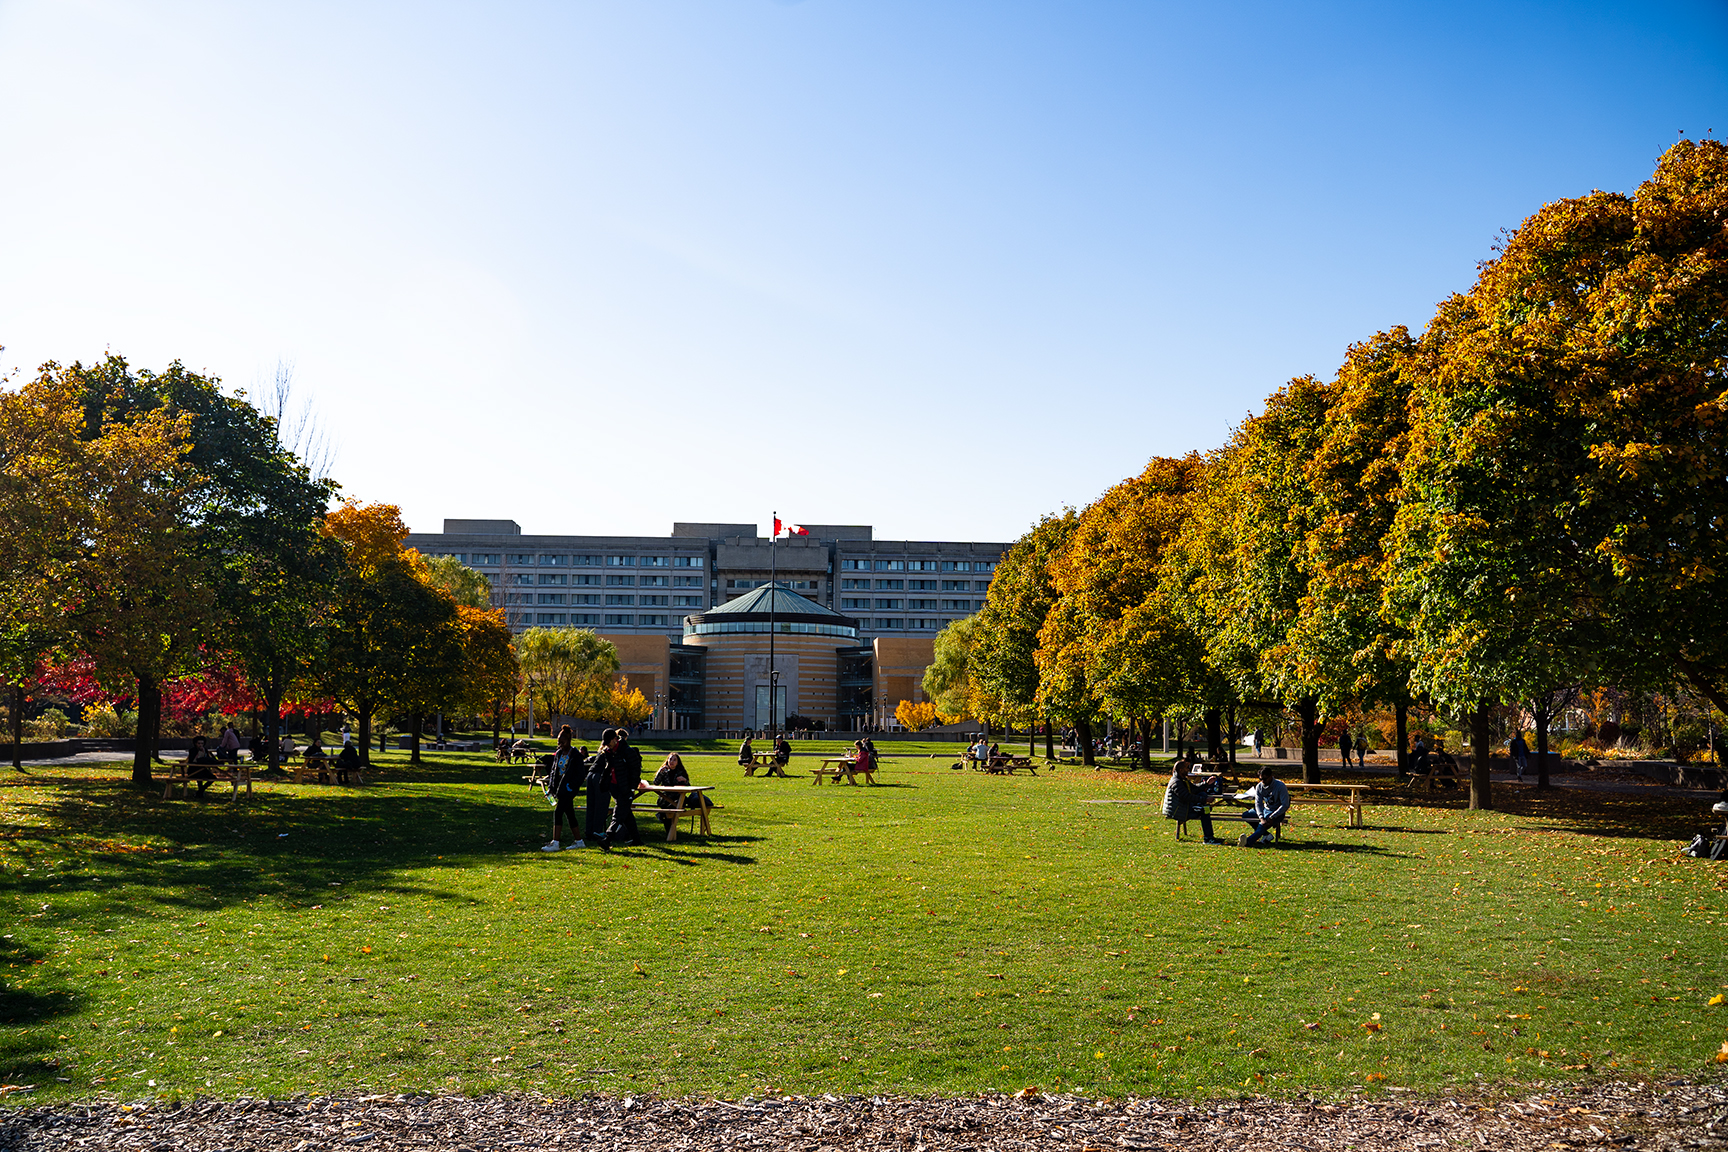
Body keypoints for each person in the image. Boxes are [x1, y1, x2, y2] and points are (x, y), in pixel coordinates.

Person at [541, 726, 586, 852]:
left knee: (558, 812)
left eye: (562, 742)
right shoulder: (559, 754)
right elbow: (554, 772)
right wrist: (551, 788)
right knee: (569, 814)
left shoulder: (575, 755)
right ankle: (579, 841)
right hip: (559, 789)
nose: (560, 744)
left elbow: (580, 775)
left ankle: (555, 842)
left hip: (568, 790)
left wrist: (571, 786)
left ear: (568, 740)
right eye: (558, 742)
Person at [647, 752, 707, 833]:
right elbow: (656, 783)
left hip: (678, 798)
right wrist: (659, 773)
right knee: (667, 810)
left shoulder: (681, 772)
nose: (672, 761)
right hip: (665, 798)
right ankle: (670, 832)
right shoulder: (664, 771)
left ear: (678, 762)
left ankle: (670, 831)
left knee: (670, 810)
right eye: (670, 759)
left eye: (674, 760)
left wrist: (684, 780)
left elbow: (689, 786)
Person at [1168, 759, 1225, 844]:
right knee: (1204, 811)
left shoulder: (1182, 779)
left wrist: (1207, 783)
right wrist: (1205, 800)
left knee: (1202, 797)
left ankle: (1209, 837)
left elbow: (1194, 788)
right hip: (1178, 811)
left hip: (1184, 807)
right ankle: (1208, 838)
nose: (1188, 770)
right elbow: (1186, 797)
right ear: (1181, 770)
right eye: (1186, 768)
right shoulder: (1176, 782)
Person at [607, 729, 645, 846]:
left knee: (618, 814)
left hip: (626, 788)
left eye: (609, 743)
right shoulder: (610, 752)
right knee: (627, 814)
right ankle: (637, 839)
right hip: (615, 787)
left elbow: (635, 771)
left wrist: (632, 788)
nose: (608, 746)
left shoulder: (627, 751)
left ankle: (608, 838)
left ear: (615, 739)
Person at [584, 729, 620, 851]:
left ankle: (589, 831)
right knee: (601, 806)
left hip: (591, 775)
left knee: (591, 805)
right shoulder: (611, 750)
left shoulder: (601, 750)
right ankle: (597, 831)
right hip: (600, 776)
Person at [1238, 766, 1291, 847]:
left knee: (1263, 824)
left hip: (1277, 813)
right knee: (1246, 815)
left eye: (1265, 779)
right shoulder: (1259, 786)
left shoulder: (1280, 786)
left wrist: (1272, 817)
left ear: (1271, 776)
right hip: (1265, 810)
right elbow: (1258, 803)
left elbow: (1285, 805)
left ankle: (1248, 842)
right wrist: (1261, 817)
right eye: (1260, 779)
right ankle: (1266, 835)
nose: (1262, 781)